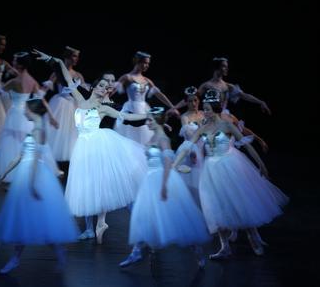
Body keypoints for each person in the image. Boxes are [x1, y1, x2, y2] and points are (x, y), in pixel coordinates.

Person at [34, 49, 148, 244]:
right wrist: (55, 60)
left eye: (107, 86)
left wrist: (148, 116)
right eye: (102, 84)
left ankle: (110, 223)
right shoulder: (80, 98)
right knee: (86, 185)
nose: (105, 88)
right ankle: (89, 228)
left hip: (99, 145)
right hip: (82, 146)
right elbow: (68, 79)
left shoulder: (105, 107)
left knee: (102, 184)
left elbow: (127, 117)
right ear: (95, 86)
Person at [173, 89, 288, 259]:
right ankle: (224, 247)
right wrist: (174, 165)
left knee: (239, 201)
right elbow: (189, 145)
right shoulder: (204, 127)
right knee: (215, 206)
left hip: (228, 165)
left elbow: (247, 145)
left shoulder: (226, 125)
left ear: (215, 109)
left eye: (207, 109)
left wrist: (261, 164)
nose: (204, 112)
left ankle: (252, 236)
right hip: (210, 169)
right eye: (204, 109)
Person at [0, 98, 78, 274]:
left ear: (33, 111)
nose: (23, 112)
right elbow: (21, 155)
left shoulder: (39, 130)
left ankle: (56, 251)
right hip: (25, 174)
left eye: (26, 109)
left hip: (34, 176)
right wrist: (4, 173)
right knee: (22, 218)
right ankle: (16, 258)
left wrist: (31, 183)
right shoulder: (33, 129)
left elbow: (36, 161)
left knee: (38, 220)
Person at [119, 107, 210, 268]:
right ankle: (136, 252)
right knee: (144, 216)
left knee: (177, 218)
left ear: (158, 120)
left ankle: (196, 250)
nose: (147, 122)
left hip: (162, 179)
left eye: (150, 120)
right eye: (147, 119)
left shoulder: (163, 139)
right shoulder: (154, 136)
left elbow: (168, 163)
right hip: (150, 179)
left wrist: (164, 185)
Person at [0, 52, 59, 181]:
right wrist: (52, 117)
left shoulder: (14, 81)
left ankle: (12, 174)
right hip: (27, 116)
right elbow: (42, 100)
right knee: (25, 143)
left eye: (14, 61)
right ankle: (28, 173)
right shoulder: (31, 80)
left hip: (15, 114)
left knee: (12, 143)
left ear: (19, 64)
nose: (12, 62)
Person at [113, 51, 180, 145]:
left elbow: (160, 95)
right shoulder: (127, 77)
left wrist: (173, 107)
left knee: (145, 134)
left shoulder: (146, 80)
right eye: (145, 63)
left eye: (148, 63)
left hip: (144, 109)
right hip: (131, 108)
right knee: (130, 135)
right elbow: (113, 90)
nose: (146, 65)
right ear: (138, 62)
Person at [174, 57, 271, 115]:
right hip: (210, 115)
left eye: (227, 67)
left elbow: (244, 95)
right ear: (217, 68)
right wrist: (174, 107)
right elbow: (190, 98)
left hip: (224, 116)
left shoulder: (228, 86)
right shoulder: (207, 85)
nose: (226, 69)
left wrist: (261, 102)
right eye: (224, 66)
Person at [43, 46, 85, 162]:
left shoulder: (78, 75)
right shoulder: (58, 72)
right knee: (58, 130)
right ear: (67, 56)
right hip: (60, 103)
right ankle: (52, 159)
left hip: (73, 105)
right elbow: (45, 89)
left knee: (71, 132)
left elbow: (84, 94)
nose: (76, 59)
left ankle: (70, 159)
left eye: (77, 57)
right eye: (74, 56)